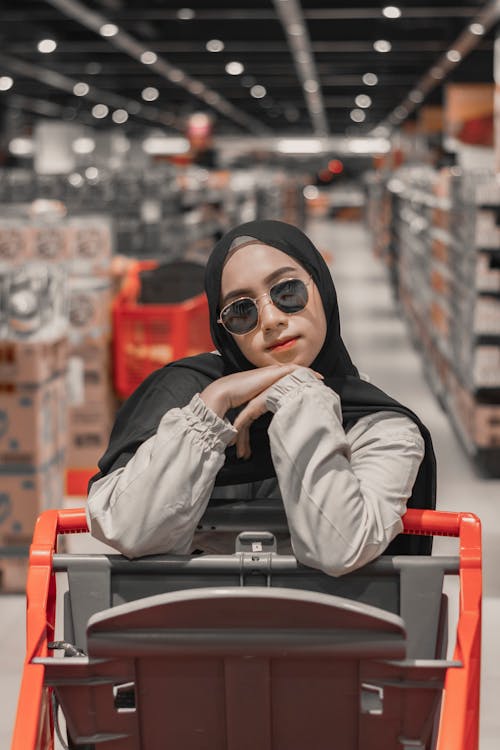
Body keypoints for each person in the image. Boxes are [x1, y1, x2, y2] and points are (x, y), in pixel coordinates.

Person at [87, 220, 436, 576]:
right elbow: (128, 530)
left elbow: (338, 549)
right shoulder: (186, 394)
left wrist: (298, 391)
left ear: (323, 287)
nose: (270, 320)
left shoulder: (380, 427)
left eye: (287, 292)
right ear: (223, 329)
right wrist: (213, 403)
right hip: (189, 625)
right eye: (241, 311)